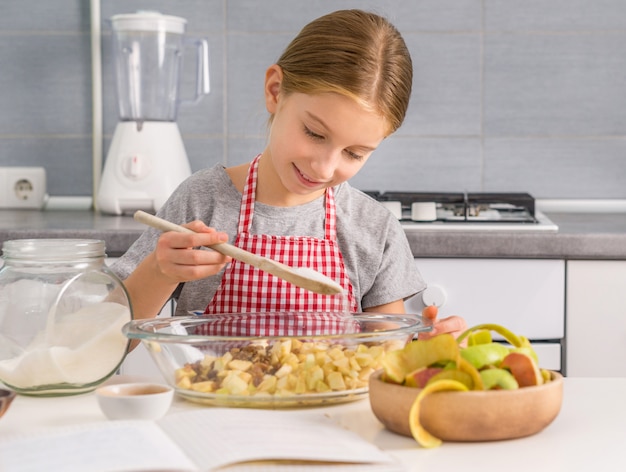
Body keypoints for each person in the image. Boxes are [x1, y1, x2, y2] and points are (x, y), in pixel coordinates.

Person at [111, 9, 466, 339]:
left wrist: (423, 354)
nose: (324, 167)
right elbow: (108, 342)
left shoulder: (373, 229)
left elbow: (386, 359)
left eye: (354, 153)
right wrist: (160, 271)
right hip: (213, 406)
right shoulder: (203, 200)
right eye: (314, 133)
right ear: (275, 91)